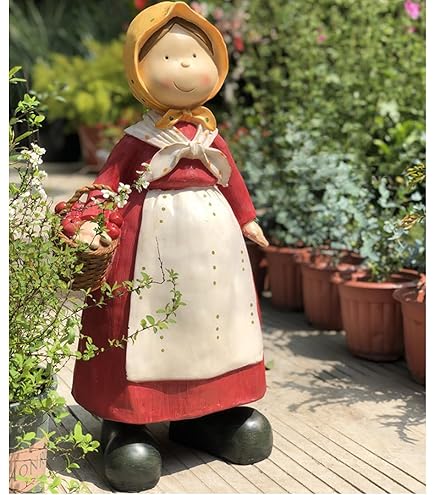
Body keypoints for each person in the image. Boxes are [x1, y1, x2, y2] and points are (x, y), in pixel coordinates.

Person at [71, 2, 273, 491]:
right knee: (143, 328)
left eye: (196, 56)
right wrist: (89, 223)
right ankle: (128, 418)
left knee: (217, 323)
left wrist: (247, 219)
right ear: (138, 71)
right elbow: (106, 186)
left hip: (215, 250)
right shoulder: (138, 139)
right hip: (150, 246)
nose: (184, 66)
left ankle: (210, 410)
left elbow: (231, 180)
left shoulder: (210, 136)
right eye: (167, 57)